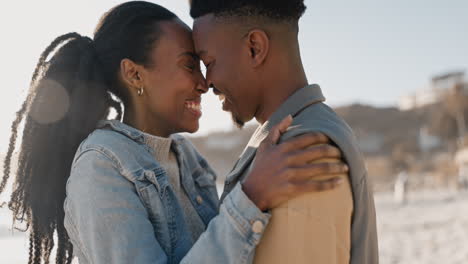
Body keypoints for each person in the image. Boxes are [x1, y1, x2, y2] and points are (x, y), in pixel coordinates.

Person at [0, 2, 348, 264]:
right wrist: (253, 195)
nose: (203, 82)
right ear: (135, 75)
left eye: (202, 65)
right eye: (187, 65)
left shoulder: (186, 156)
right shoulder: (100, 166)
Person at [190, 0, 379, 263]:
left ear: (254, 48)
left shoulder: (298, 154)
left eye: (208, 62)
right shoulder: (289, 141)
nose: (205, 82)